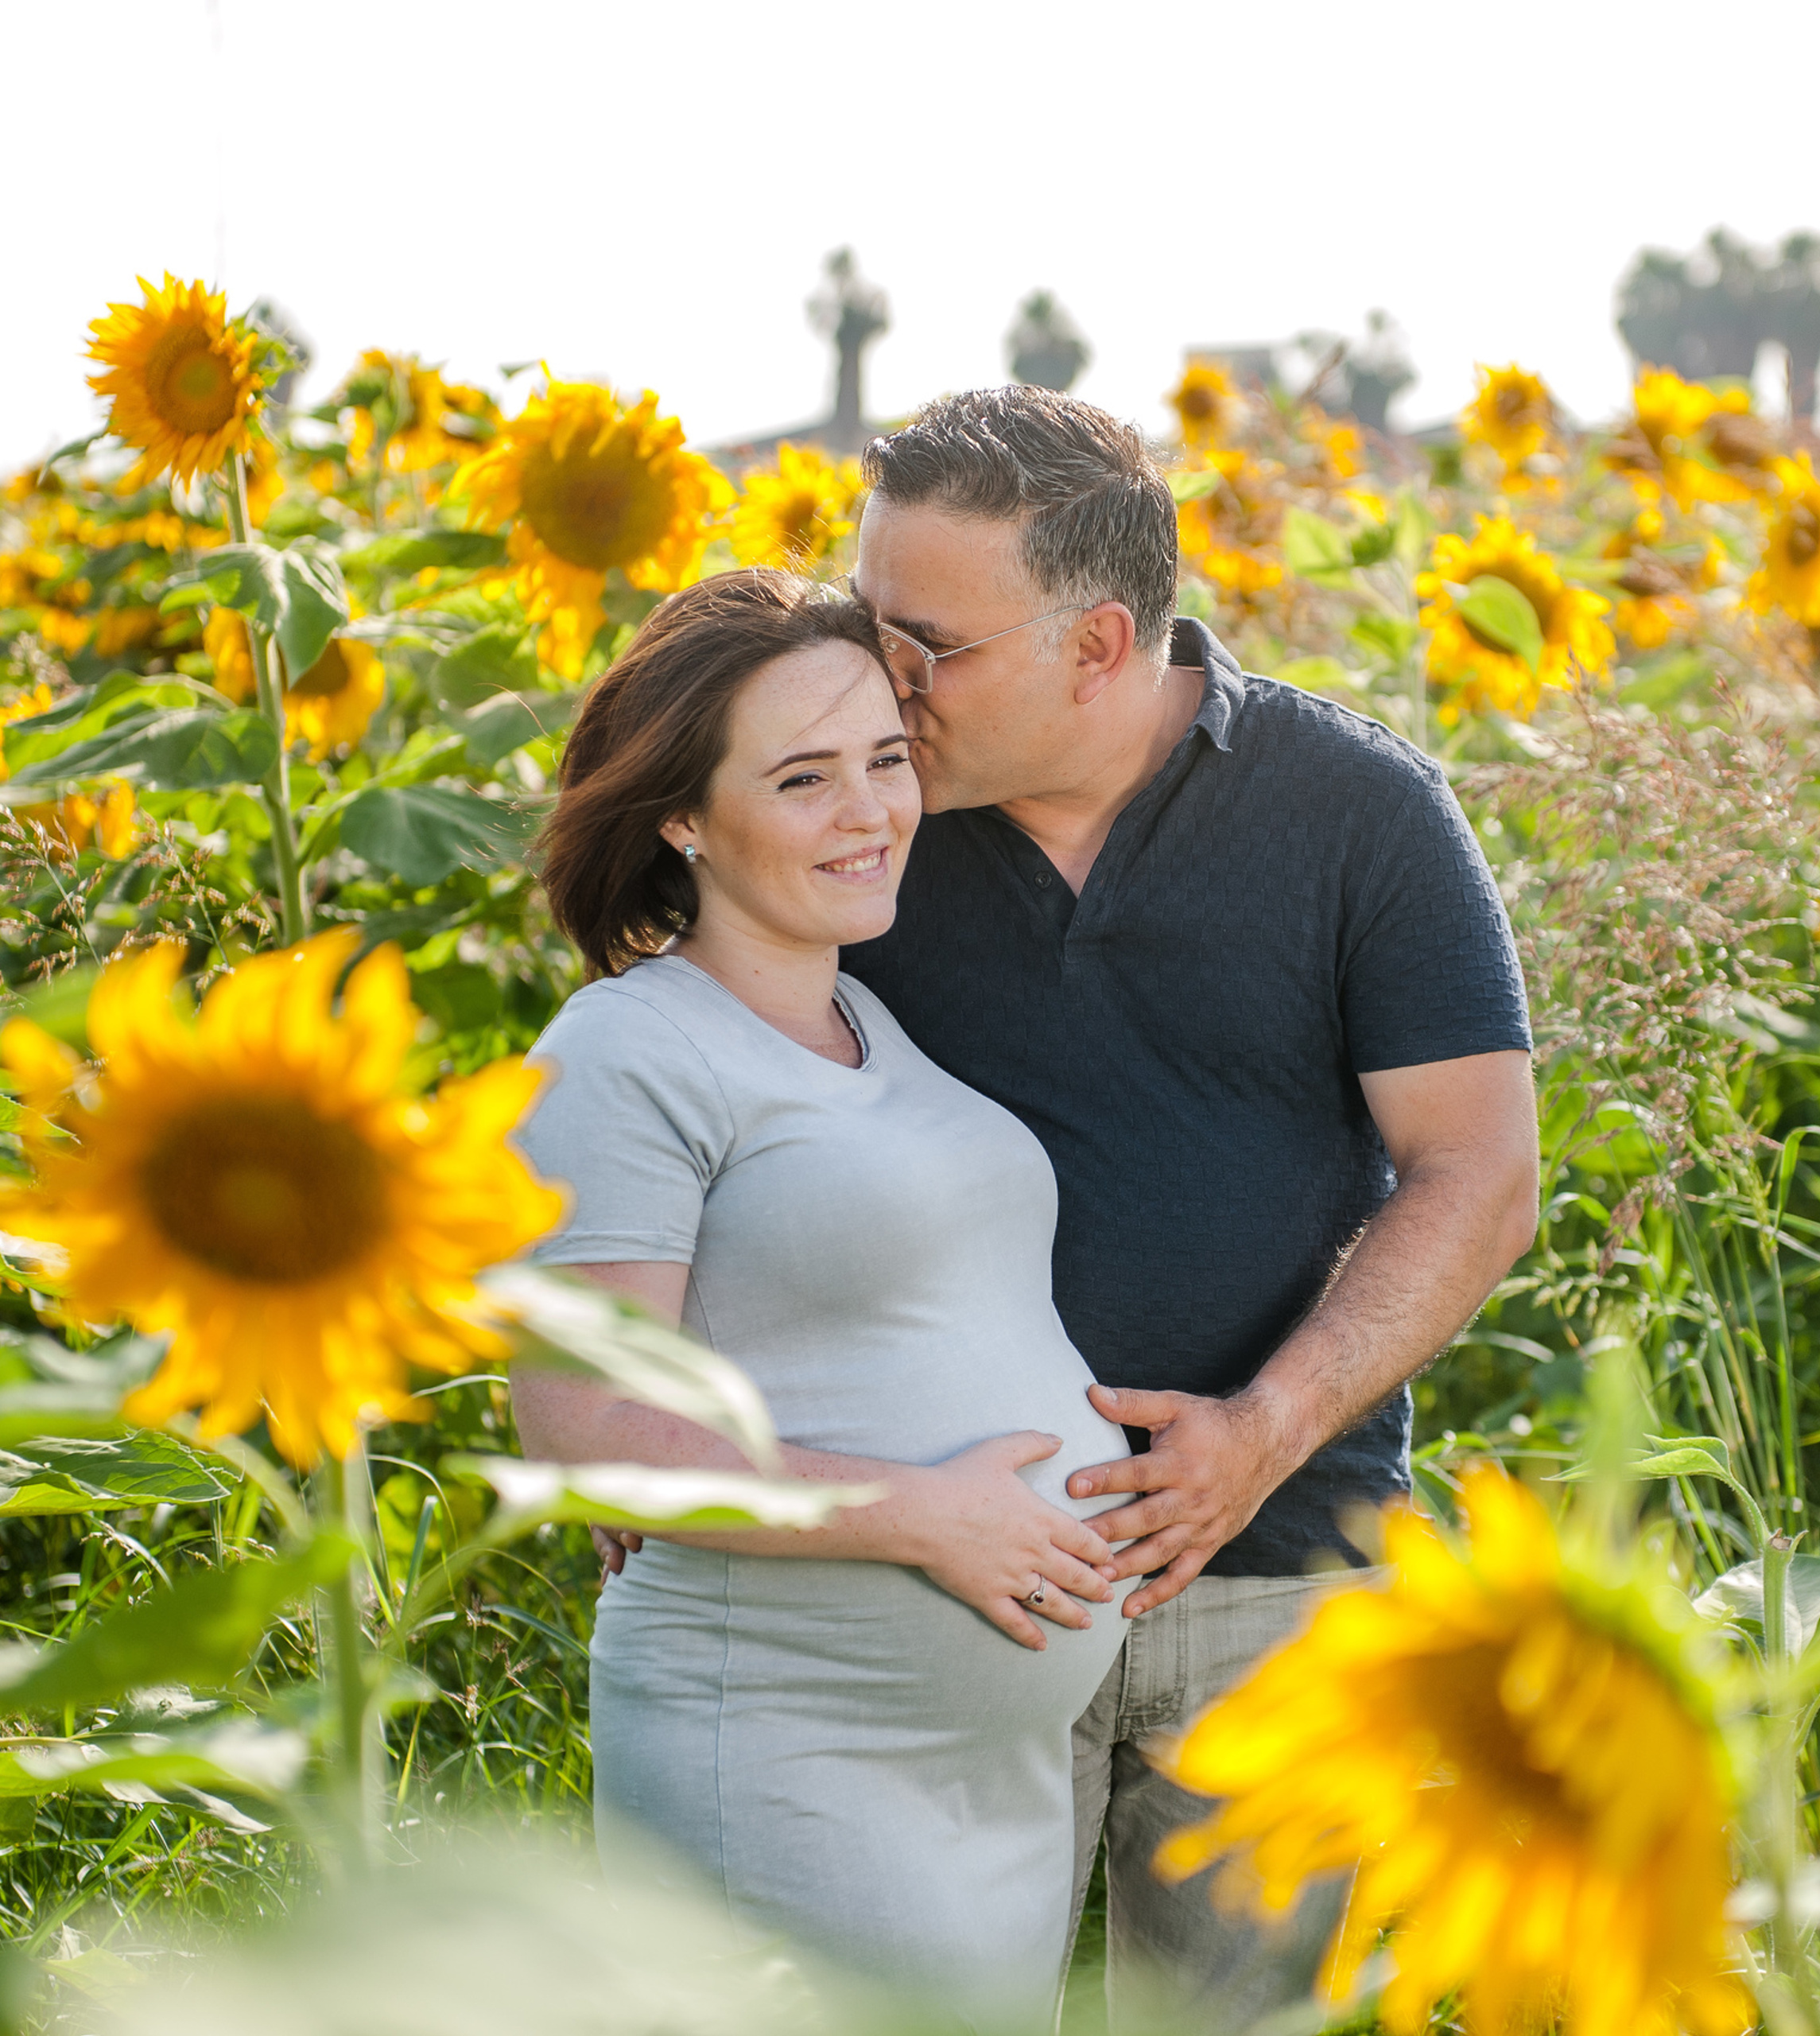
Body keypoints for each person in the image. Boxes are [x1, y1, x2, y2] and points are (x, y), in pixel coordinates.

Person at [840, 388, 1540, 2025]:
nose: (886, 680)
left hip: (1279, 1583)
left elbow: (1478, 1172)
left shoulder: (1355, 813)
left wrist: (1261, 1426)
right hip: (948, 1573)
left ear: (1096, 647)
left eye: (928, 642)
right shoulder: (850, 815)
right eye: (866, 623)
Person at [508, 569, 1134, 2030]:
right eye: (803, 778)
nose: (870, 812)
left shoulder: (868, 1016)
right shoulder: (624, 1054)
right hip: (793, 1749)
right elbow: (582, 1432)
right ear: (681, 814)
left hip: (986, 1783)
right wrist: (927, 1515)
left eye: (888, 760)